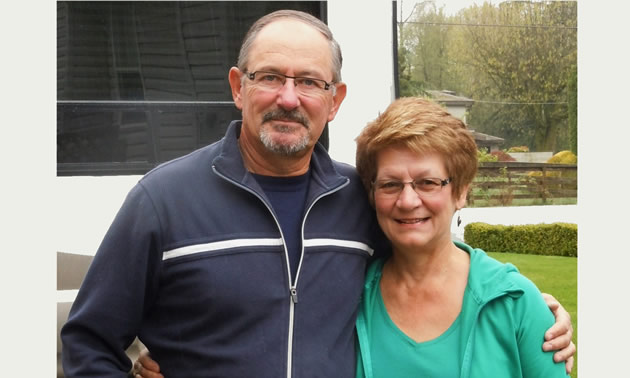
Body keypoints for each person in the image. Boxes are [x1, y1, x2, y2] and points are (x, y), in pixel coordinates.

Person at [61, 10, 574, 378]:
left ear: (335, 100)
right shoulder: (163, 200)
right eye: (270, 78)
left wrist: (522, 305)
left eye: (309, 81)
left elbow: (429, 252)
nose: (289, 98)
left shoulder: (359, 199)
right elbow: (88, 342)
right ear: (239, 87)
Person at [351, 97, 569, 377]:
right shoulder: (349, 299)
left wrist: (533, 311)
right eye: (390, 184)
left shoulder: (514, 303)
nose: (407, 201)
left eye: (428, 183)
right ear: (372, 194)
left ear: (461, 192)